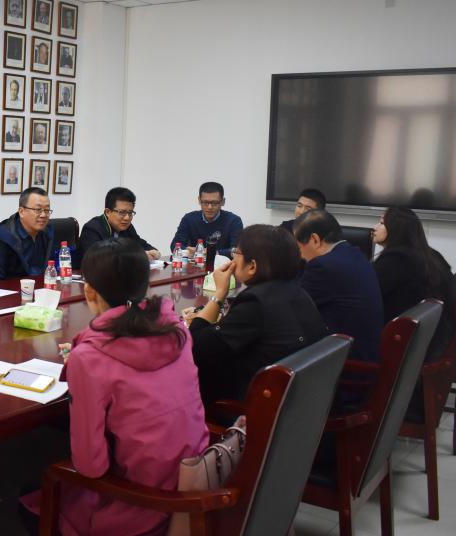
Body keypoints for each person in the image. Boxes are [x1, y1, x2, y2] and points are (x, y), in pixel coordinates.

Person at [21, 238, 209, 535]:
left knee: (30, 493)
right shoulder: (176, 329)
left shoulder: (90, 358)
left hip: (139, 507)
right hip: (197, 488)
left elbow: (90, 466)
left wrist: (84, 358)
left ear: (89, 291)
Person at [182, 225, 327, 405]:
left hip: (253, 407)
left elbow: (196, 347)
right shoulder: (298, 292)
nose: (233, 257)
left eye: (236, 252)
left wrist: (219, 294)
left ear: (252, 266)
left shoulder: (255, 302)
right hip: (297, 402)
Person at [292, 209, 383, 362]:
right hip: (366, 353)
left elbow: (294, 308)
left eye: (299, 247)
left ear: (315, 240)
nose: (300, 255)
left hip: (345, 363)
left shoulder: (322, 266)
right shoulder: (355, 253)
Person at [372, 207, 456, 360]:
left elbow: (368, 293)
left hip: (408, 344)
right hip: (434, 337)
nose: (374, 227)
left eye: (381, 223)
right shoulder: (430, 254)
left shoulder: (397, 259)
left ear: (396, 229)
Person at [0, 187, 55, 279]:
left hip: (43, 286)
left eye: (47, 210)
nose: (43, 215)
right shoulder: (3, 239)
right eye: (38, 210)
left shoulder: (48, 233)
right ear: (21, 212)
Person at [78, 187, 159, 266]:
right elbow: (96, 259)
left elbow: (139, 244)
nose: (127, 218)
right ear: (107, 212)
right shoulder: (92, 229)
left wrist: (153, 252)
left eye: (130, 213)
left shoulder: (128, 227)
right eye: (122, 212)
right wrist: (137, 256)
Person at [170, 181, 244, 257]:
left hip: (223, 263)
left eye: (214, 203)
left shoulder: (234, 221)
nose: (209, 207)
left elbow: (237, 251)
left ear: (223, 201)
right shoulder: (189, 219)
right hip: (195, 262)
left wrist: (212, 252)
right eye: (205, 202)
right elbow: (175, 245)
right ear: (199, 200)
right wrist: (188, 251)